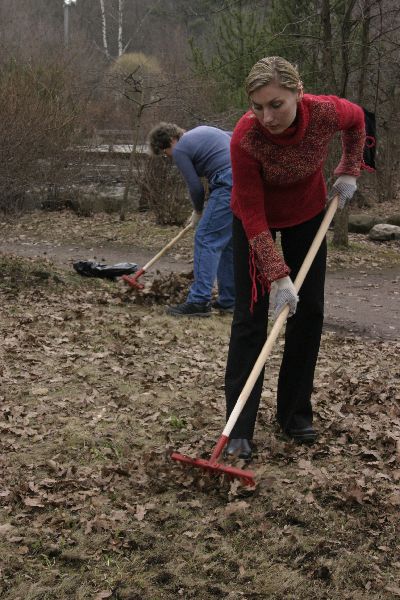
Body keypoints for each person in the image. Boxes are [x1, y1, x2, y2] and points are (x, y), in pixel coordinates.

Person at [224, 56, 366, 459]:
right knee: (250, 318)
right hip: (255, 223)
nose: (266, 117)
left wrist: (350, 167)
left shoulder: (324, 112)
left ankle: (294, 415)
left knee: (309, 312)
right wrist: (278, 276)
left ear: (297, 94)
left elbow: (359, 120)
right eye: (257, 106)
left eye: (276, 104)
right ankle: (239, 428)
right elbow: (253, 216)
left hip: (306, 214)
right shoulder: (245, 138)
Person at [148, 123, 235, 317]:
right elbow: (234, 136)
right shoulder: (203, 131)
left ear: (170, 141)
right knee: (226, 243)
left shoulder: (180, 148)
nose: (169, 157)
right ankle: (229, 301)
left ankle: (199, 301)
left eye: (165, 153)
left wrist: (197, 211)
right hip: (243, 180)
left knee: (205, 238)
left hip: (227, 183)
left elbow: (195, 187)